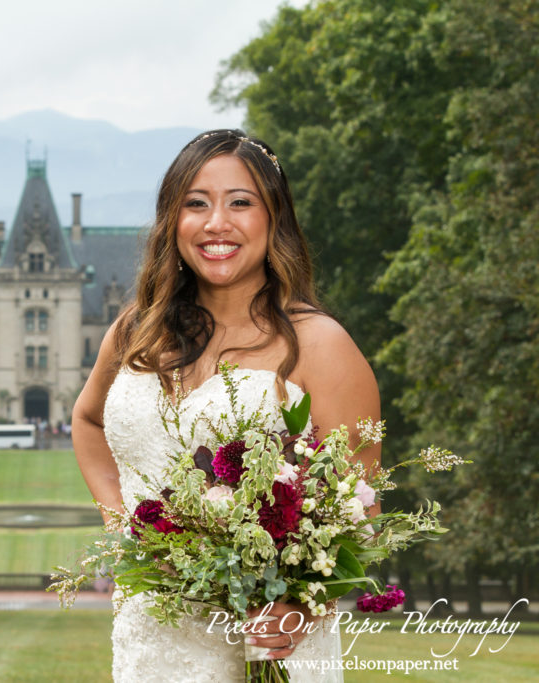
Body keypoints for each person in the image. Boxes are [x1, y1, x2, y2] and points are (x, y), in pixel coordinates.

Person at [72, 129, 380, 682]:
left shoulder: (320, 344)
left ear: (274, 218)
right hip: (153, 636)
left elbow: (362, 502)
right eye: (196, 204)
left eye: (240, 202)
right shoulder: (135, 332)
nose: (217, 223)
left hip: (270, 642)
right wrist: (128, 528)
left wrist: (301, 603)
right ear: (173, 221)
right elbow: (88, 420)